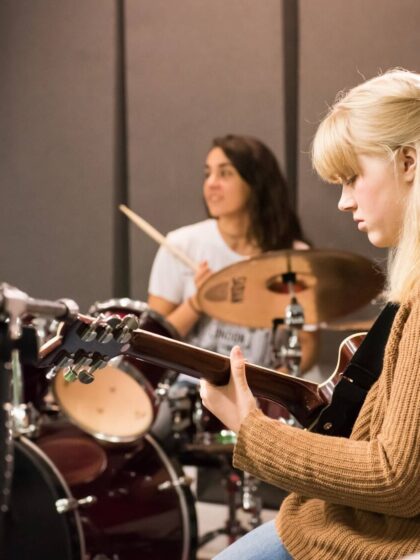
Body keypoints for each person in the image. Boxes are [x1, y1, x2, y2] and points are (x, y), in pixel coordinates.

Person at [199, 69, 420, 559]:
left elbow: (395, 479)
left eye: (352, 177)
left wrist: (251, 428)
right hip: (336, 519)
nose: (344, 201)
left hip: (372, 537)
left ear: (408, 161)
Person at [148, 134, 317, 373]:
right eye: (208, 174)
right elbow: (153, 340)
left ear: (255, 183)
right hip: (192, 393)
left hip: (260, 392)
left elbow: (306, 343)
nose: (211, 183)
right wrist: (198, 302)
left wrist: (278, 388)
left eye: (225, 173)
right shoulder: (181, 245)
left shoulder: (295, 258)